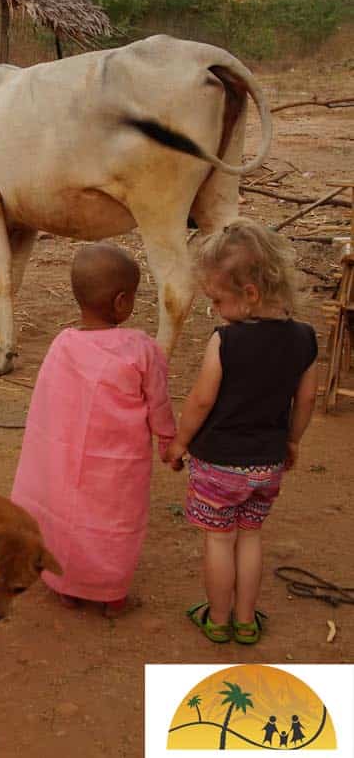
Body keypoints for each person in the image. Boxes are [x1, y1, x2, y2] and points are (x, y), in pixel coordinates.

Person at [167, 220, 318, 645]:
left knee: (220, 540)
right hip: (267, 465)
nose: (215, 310)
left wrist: (180, 442)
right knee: (250, 537)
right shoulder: (306, 339)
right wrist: (292, 441)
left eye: (218, 300)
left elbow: (200, 401)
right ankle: (247, 619)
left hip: (219, 465)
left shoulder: (225, 342)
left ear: (250, 294)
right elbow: (305, 400)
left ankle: (217, 618)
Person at [11, 243, 176, 617]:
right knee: (114, 524)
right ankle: (111, 593)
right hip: (118, 468)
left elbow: (47, 404)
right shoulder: (142, 349)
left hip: (65, 462)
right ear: (122, 302)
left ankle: (66, 585)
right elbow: (160, 404)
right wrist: (168, 440)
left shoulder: (62, 345)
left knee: (66, 517)